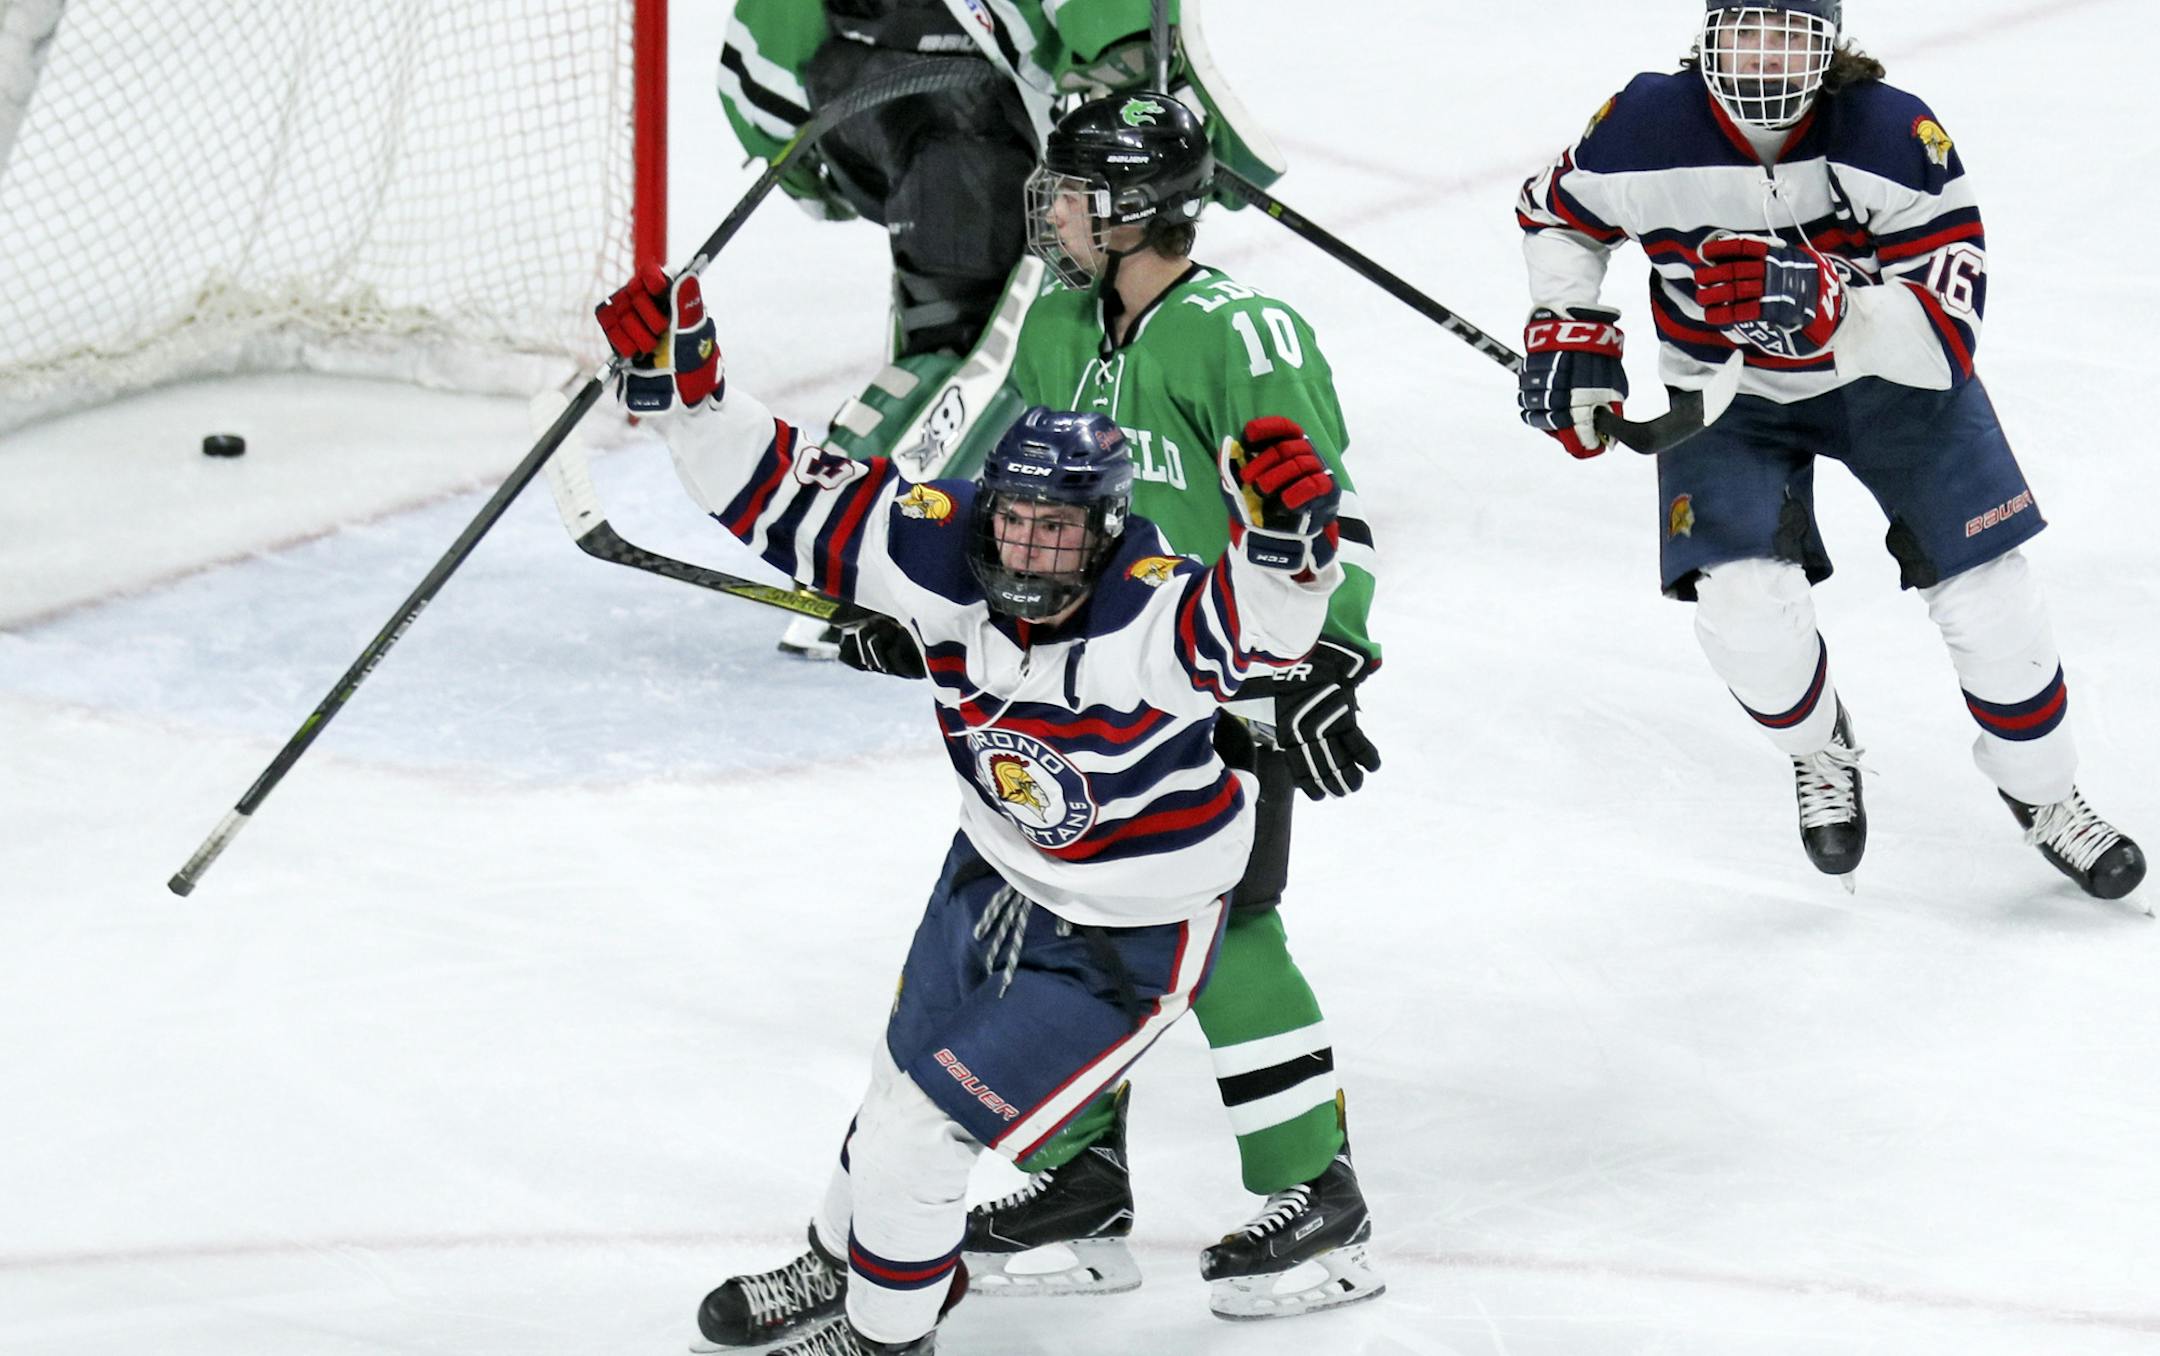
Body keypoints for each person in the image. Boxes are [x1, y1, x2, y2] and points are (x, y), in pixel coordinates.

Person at [594, 263, 1347, 1354]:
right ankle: (846, 1264)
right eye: (1018, 525)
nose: (1032, 553)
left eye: (1062, 534)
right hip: (989, 874)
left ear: (1108, 534)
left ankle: (886, 1339)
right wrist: (695, 394)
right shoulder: (936, 547)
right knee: (892, 1088)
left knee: (919, 1137)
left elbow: (1263, 630)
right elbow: (784, 493)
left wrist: (1290, 552)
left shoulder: (1155, 612)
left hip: (1124, 933)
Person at [837, 91, 1388, 1322]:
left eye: (1078, 190)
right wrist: (918, 593)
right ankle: (1075, 1183)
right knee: (1055, 915)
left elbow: (1319, 509)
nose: (1056, 210)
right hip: (1090, 683)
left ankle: (1322, 1203)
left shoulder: (1244, 333)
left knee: (1230, 925)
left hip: (1220, 671)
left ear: (1138, 208)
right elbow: (1002, 497)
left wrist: (1330, 657)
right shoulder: (1059, 323)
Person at [1514, 0, 2144, 900]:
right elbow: (1556, 213)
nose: (1763, 59)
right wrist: (1568, 323)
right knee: (1745, 613)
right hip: (1728, 393)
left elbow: (1949, 335)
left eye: (1787, 35)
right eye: (1745, 32)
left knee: (1993, 604)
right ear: (1709, 36)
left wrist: (1833, 306)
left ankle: (2045, 797)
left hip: (1893, 387)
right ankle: (1820, 750)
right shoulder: (1645, 125)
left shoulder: (1893, 134)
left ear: (1829, 45)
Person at [715, 0, 1286, 655]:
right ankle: (856, 562)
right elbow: (1121, 50)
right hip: (965, 121)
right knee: (991, 337)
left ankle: (848, 532)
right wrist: (1180, 156)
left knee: (946, 320)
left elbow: (759, 72)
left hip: (858, 102)